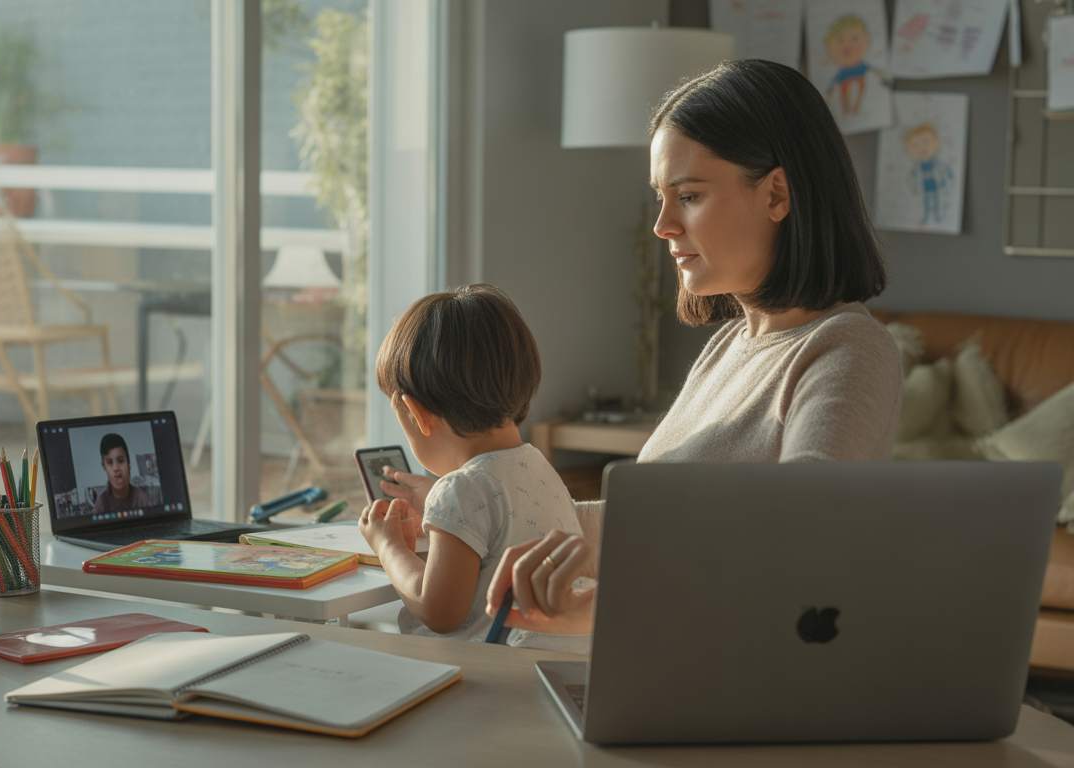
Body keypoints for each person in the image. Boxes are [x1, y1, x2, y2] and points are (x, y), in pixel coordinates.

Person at [382, 59, 903, 637]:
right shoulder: (731, 344)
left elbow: (803, 537)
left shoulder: (847, 351)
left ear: (777, 193)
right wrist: (479, 505)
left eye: (690, 196)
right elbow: (652, 521)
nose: (662, 224)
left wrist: (603, 607)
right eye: (662, 196)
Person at [357, 284, 588, 651]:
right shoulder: (537, 465)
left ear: (418, 415)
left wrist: (388, 547)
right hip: (557, 659)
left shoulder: (459, 490)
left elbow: (439, 611)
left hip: (492, 675)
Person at [91, 433, 153, 515]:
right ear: (104, 466)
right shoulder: (102, 502)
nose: (116, 468)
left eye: (120, 461)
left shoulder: (140, 497)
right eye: (109, 463)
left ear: (128, 463)